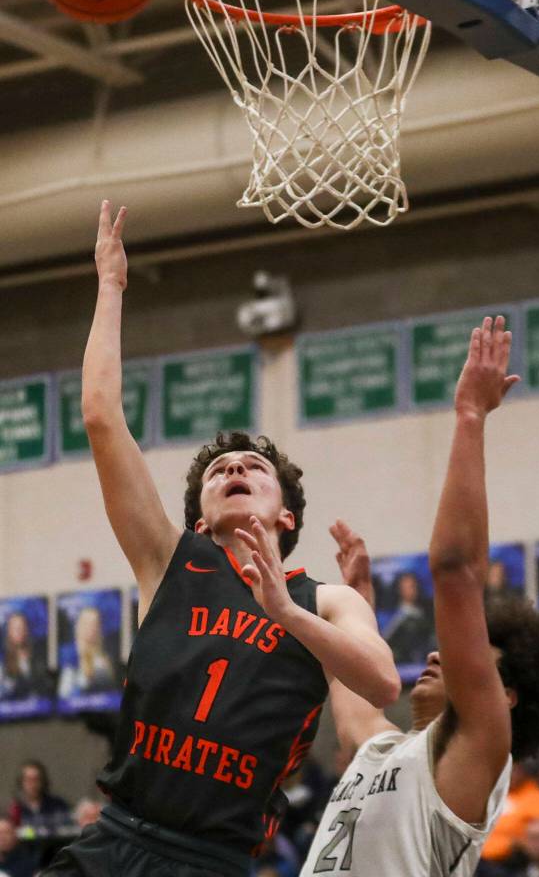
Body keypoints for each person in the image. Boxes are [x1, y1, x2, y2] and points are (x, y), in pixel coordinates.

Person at [42, 202, 399, 877]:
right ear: (200, 518)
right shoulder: (171, 558)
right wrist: (111, 288)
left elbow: (380, 681)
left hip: (213, 859)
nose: (233, 469)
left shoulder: (322, 602)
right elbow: (99, 414)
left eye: (253, 468)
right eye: (218, 472)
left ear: (286, 517)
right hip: (114, 841)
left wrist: (285, 615)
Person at [301, 316, 539, 877]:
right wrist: (356, 604)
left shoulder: (478, 750)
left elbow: (455, 571)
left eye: (472, 657)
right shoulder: (378, 749)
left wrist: (470, 418)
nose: (436, 653)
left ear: (504, 696)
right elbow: (349, 681)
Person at [482, 761, 539, 867]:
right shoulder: (488, 794)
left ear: (524, 771)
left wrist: (519, 844)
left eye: (514, 770)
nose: (508, 773)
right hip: (475, 860)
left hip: (512, 864)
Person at [57, 606, 116, 699]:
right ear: (78, 626)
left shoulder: (105, 654)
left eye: (95, 624)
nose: (92, 628)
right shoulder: (66, 653)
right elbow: (64, 694)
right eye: (87, 624)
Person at [8, 761, 70, 834]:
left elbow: (67, 831)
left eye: (36, 780)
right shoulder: (15, 809)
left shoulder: (58, 805)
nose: (33, 785)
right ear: (21, 782)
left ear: (43, 781)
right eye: (28, 780)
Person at [0, 612, 50, 702]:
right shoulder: (3, 662)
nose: (20, 631)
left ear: (27, 630)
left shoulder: (40, 655)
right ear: (9, 632)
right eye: (16, 628)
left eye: (23, 627)